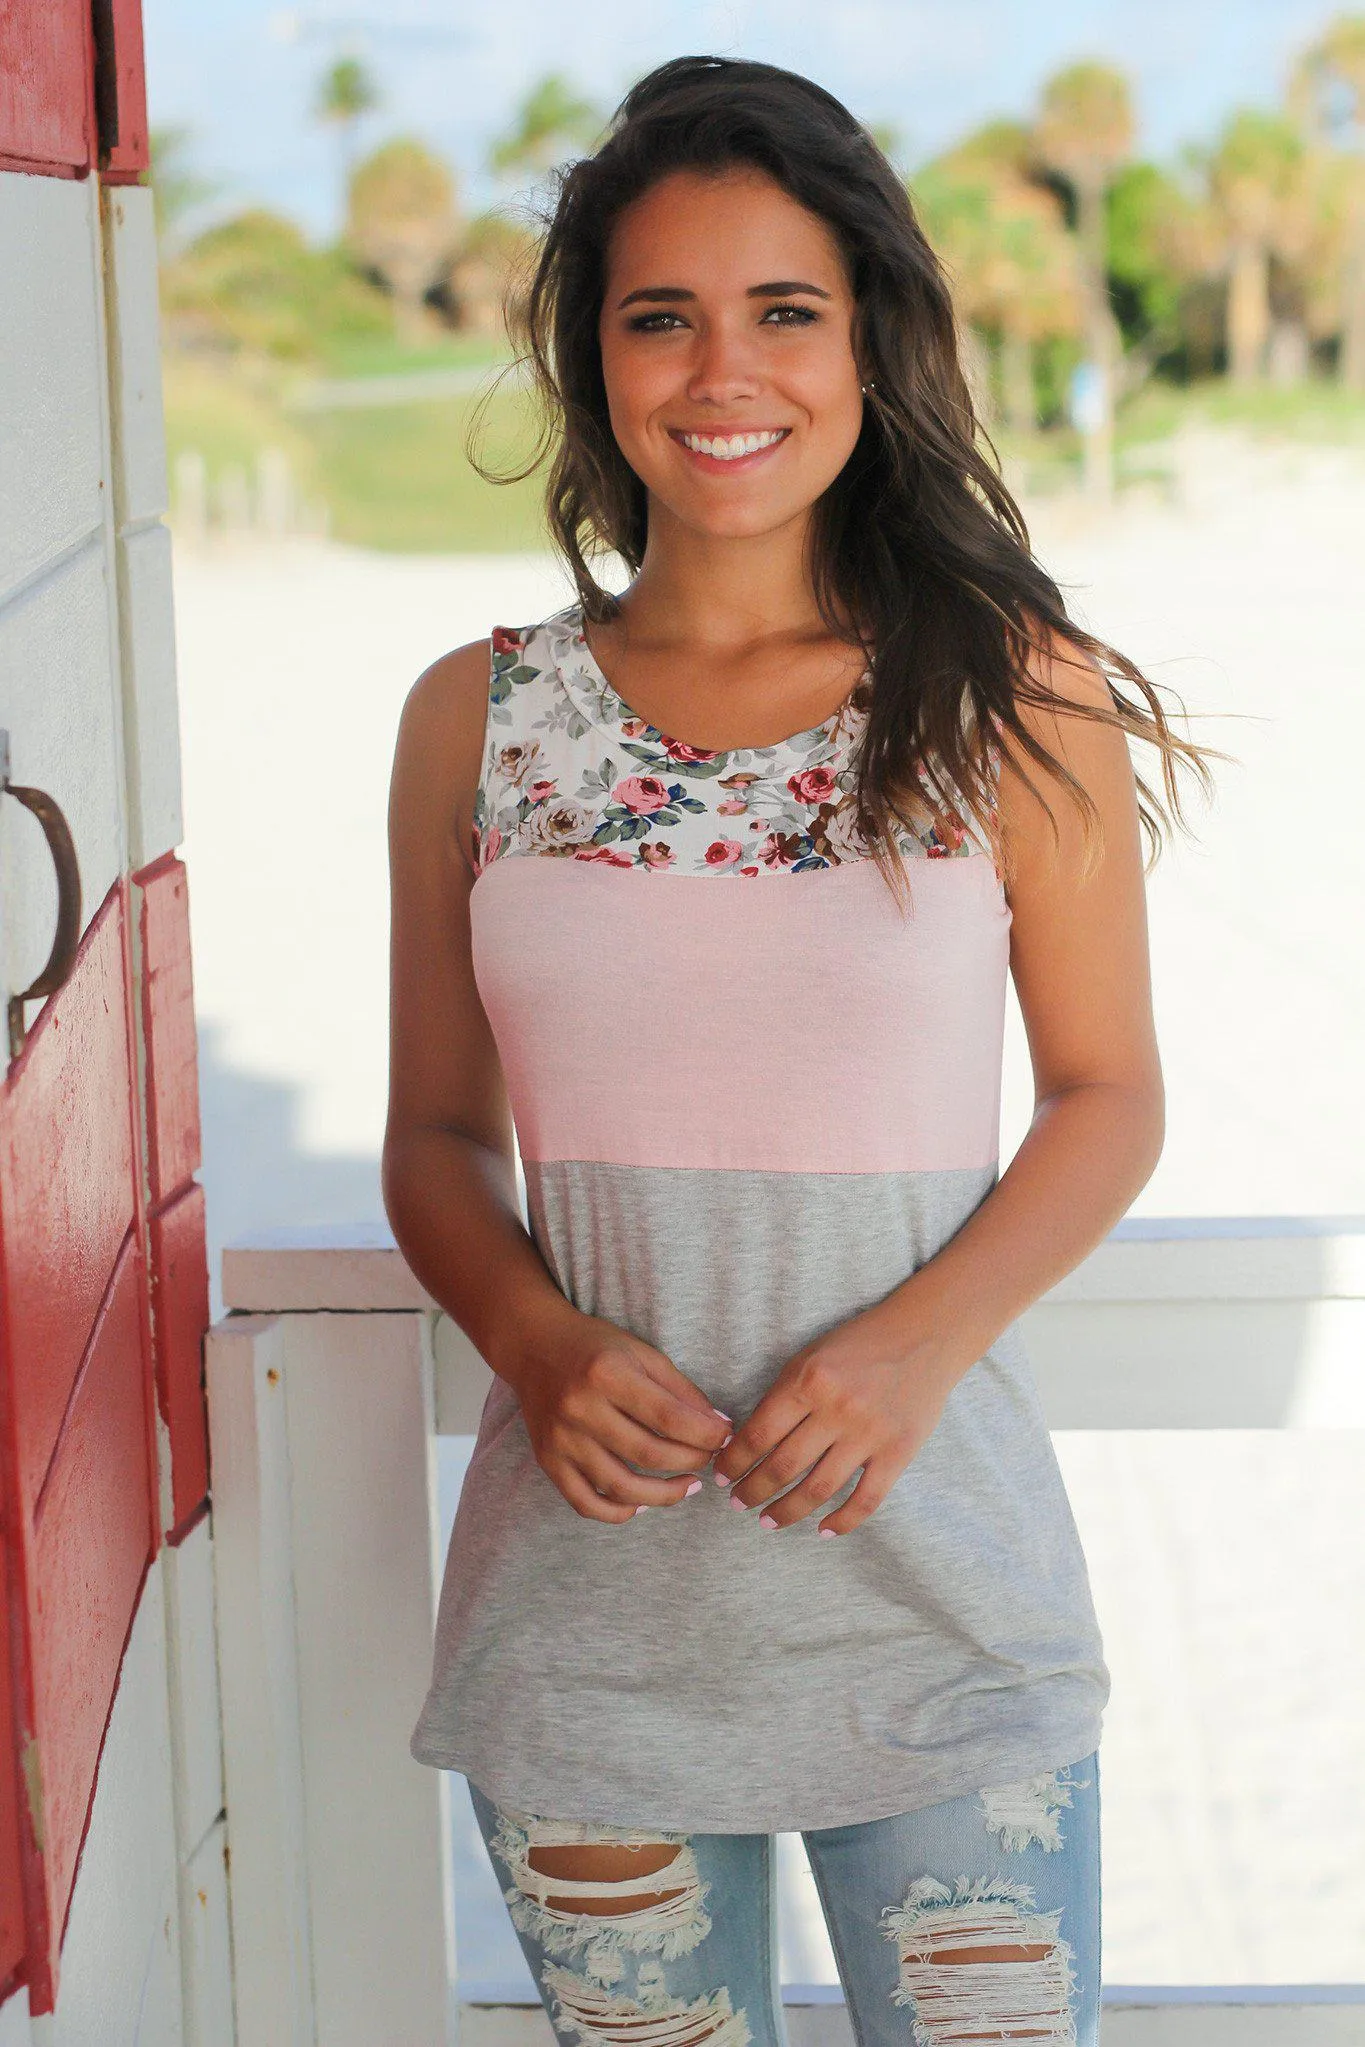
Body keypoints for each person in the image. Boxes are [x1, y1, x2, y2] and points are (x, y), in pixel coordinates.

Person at [383, 54, 1214, 2047]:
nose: (718, 369)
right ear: (594, 361)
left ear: (868, 343)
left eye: (782, 310)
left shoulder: (1015, 694)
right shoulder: (476, 718)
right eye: (657, 313)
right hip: (587, 1642)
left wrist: (906, 1346)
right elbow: (428, 1134)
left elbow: (1108, 1099)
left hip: (941, 1609)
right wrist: (538, 1342)